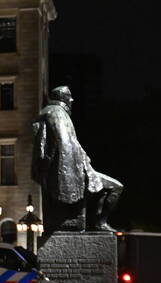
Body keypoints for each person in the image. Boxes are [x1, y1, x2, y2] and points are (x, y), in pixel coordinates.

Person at [31, 85, 123, 235]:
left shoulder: (55, 113)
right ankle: (100, 223)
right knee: (116, 187)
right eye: (69, 96)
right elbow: (62, 144)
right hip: (74, 171)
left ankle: (100, 223)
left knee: (114, 187)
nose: (72, 99)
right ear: (62, 98)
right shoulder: (57, 113)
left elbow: (70, 144)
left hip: (79, 169)